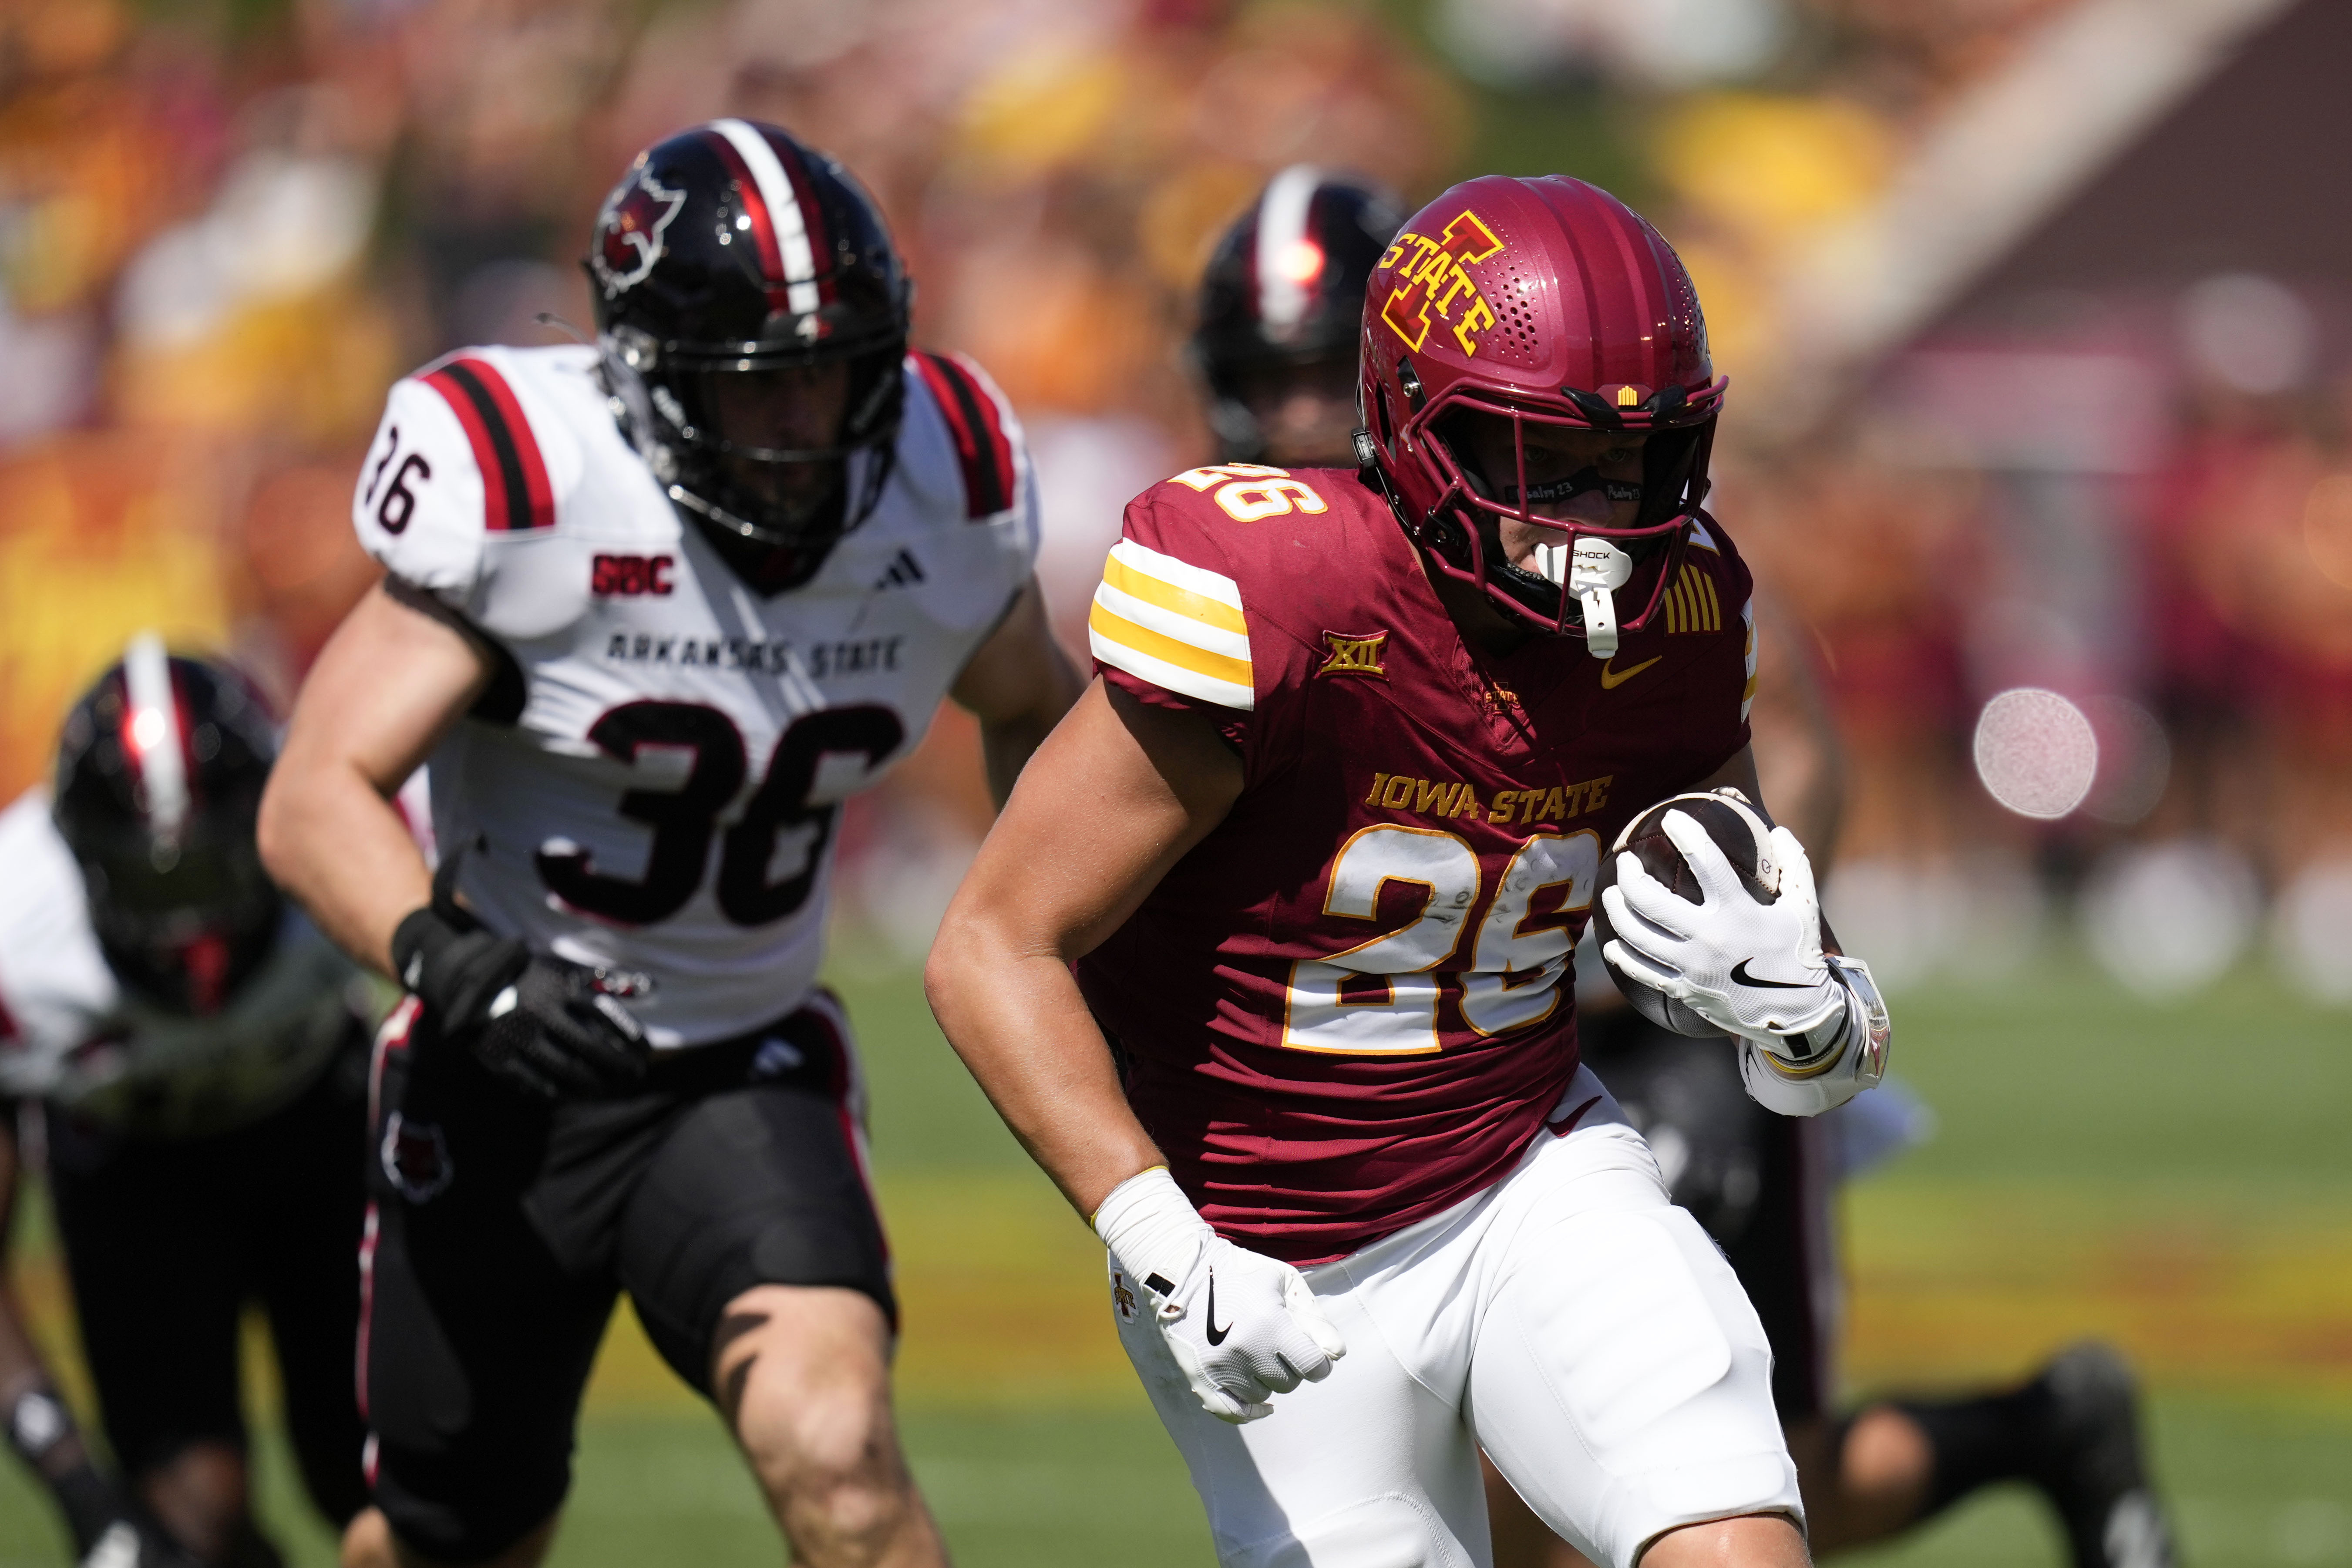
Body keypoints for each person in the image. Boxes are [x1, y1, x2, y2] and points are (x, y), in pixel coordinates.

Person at [1189, 168, 2180, 1568]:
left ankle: (2035, 1430)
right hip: (1420, 1086)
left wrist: (1750, 941)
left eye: (1315, 372)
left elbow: (1771, 736)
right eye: (1266, 377)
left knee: (1727, 1480)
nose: (1295, 416)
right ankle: (2038, 1428)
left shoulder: (1592, 537)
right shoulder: (1266, 573)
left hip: (1627, 1047)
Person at [927, 173, 1892, 1568]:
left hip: (1527, 1175)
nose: (1607, 511)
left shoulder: (1675, 616)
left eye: (1639, 460)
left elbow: (1749, 986)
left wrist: (1810, 1019)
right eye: (1547, 460)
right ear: (1424, 436)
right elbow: (993, 944)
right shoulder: (1283, 595)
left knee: (1735, 1541)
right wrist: (1154, 1234)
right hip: (1264, 1252)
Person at [257, 119, 1082, 1568]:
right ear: (649, 372)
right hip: (505, 1065)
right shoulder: (532, 486)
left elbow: (1043, 728)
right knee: (458, 1534)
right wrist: (463, 969)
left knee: (839, 1453)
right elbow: (315, 791)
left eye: (838, 371)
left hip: (742, 1061)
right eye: (762, 387)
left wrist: (1081, 927)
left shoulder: (939, 486)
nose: (809, 424)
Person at [0, 639, 373, 1568]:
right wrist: (77, 1486)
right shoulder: (16, 939)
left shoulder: (346, 836)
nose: (185, 928)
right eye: (151, 882)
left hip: (321, 1139)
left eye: (206, 875)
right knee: (187, 1531)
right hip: (137, 1174)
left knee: (379, 1486)